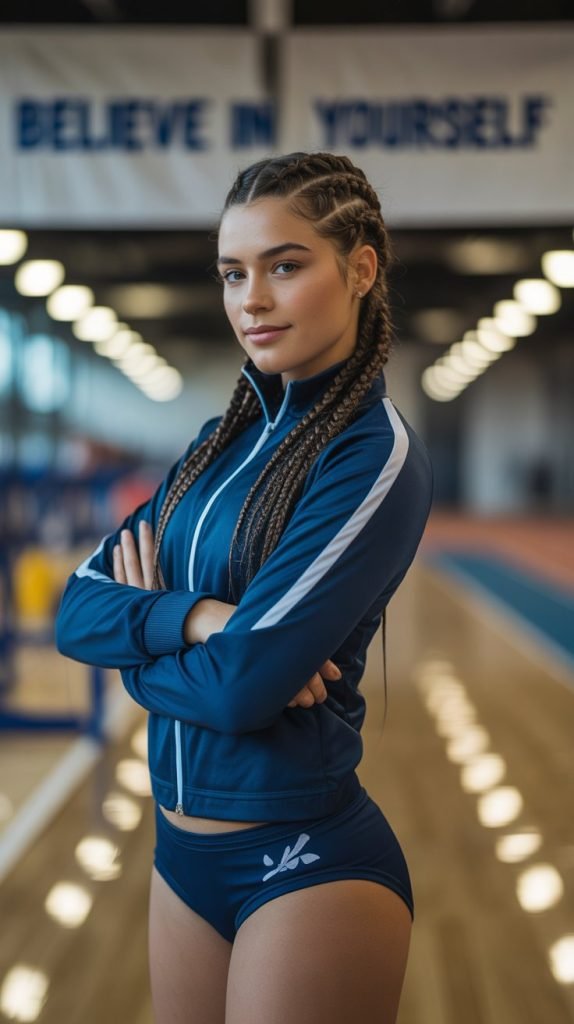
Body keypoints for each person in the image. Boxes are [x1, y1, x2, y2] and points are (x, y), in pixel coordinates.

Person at [55, 151, 433, 1024]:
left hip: (304, 862)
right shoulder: (211, 447)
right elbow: (76, 610)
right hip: (179, 855)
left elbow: (240, 693)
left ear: (360, 268)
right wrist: (198, 619)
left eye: (285, 265)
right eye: (233, 273)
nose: (250, 300)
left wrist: (140, 653)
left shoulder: (371, 457)